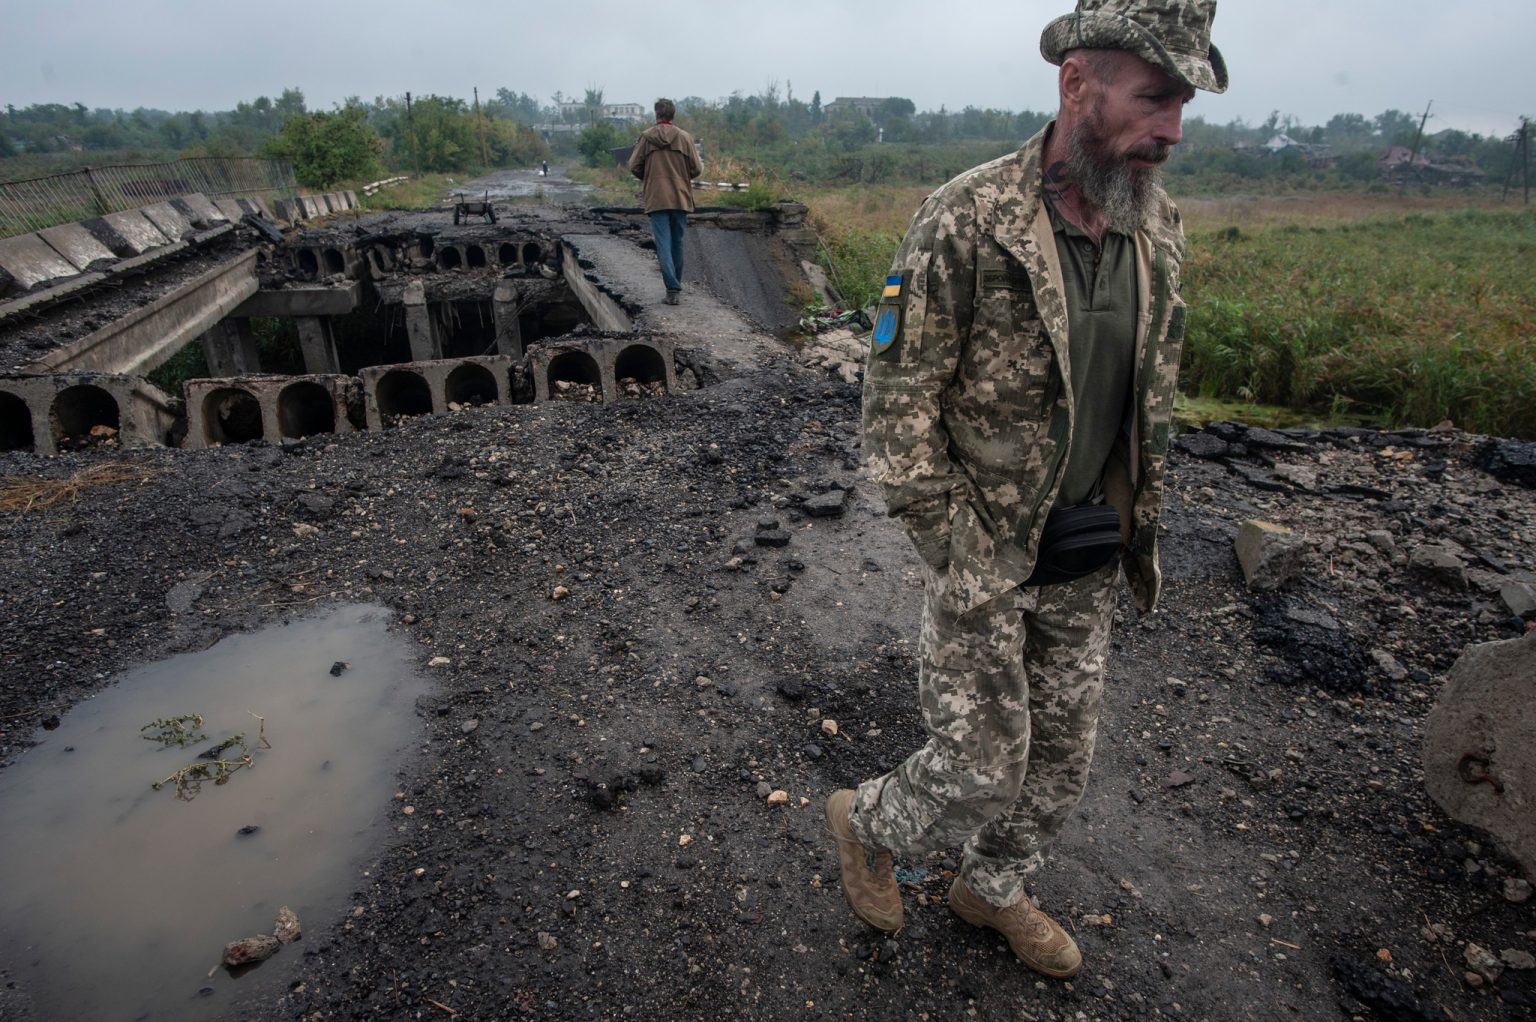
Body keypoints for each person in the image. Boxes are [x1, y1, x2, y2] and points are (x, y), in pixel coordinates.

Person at [826, 0, 1227, 979]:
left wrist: (1125, 518)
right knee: (981, 762)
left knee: (1055, 767)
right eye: (1156, 99)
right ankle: (865, 820)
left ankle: (988, 888)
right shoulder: (966, 220)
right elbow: (895, 404)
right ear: (1077, 82)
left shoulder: (1155, 228)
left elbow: (1143, 398)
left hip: (1087, 551)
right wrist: (964, 544)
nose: (1173, 130)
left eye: (1185, 104)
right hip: (984, 551)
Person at [627, 98, 702, 305]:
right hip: (680, 196)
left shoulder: (646, 137)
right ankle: (675, 285)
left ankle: (672, 288)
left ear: (657, 115)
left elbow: (634, 165)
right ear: (673, 115)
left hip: (657, 197)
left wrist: (651, 177)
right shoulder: (685, 138)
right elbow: (696, 169)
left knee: (663, 244)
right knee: (677, 243)